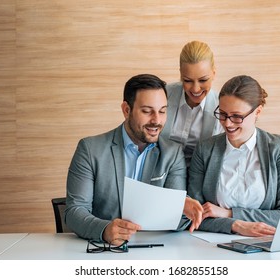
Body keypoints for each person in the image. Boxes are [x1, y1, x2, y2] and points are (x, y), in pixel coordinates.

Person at [65, 74, 203, 245]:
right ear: (126, 110)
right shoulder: (90, 149)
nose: (157, 120)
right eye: (147, 111)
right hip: (103, 251)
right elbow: (74, 211)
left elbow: (175, 223)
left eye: (162, 111)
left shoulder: (172, 154)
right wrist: (104, 230)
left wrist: (180, 207)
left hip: (155, 251)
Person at [188, 75, 280, 237]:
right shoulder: (205, 149)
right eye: (223, 114)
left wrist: (229, 214)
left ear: (257, 112)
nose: (227, 123)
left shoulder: (278, 148)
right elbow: (196, 216)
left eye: (237, 116)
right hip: (214, 244)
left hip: (265, 245)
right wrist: (238, 225)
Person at [161, 40, 224, 167]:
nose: (195, 89)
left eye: (203, 80)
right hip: (163, 166)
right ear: (180, 74)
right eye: (187, 80)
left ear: (213, 74)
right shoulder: (164, 95)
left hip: (200, 171)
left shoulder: (222, 107)